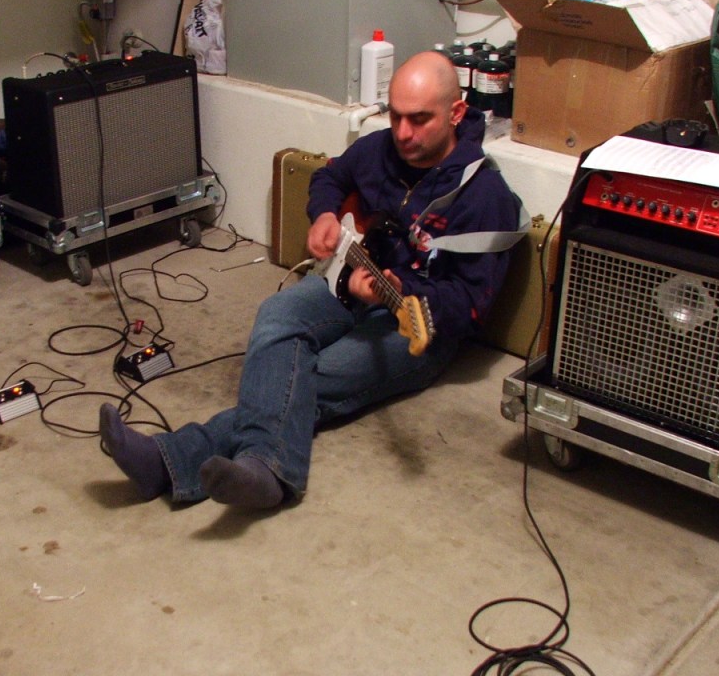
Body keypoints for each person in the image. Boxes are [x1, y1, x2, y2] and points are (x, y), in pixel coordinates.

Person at [99, 50, 523, 510]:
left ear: (456, 113)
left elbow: (470, 306)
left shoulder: (484, 197)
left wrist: (405, 290)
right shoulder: (379, 149)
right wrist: (324, 215)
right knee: (277, 314)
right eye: (396, 116)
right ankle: (253, 468)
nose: (403, 133)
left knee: (304, 376)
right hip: (348, 282)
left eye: (419, 119)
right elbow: (330, 176)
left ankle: (182, 462)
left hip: (413, 326)